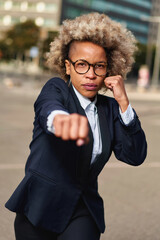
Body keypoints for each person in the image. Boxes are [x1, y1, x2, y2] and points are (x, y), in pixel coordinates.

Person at [5, 12, 147, 240]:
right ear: (68, 66)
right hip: (39, 207)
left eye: (99, 66)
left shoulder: (110, 109)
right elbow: (48, 108)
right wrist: (61, 121)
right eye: (82, 65)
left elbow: (135, 155)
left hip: (82, 209)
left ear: (108, 70)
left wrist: (123, 102)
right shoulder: (57, 89)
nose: (90, 74)